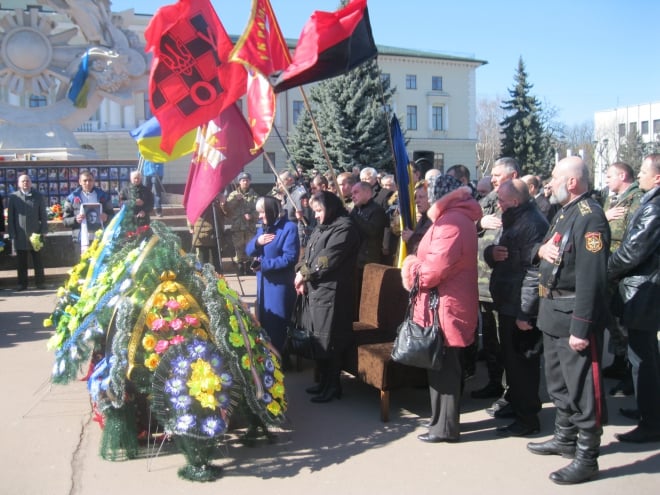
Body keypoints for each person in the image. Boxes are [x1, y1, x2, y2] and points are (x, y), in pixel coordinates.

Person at [526, 156, 610, 485]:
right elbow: (547, 247)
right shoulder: (565, 212)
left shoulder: (591, 218)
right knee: (559, 383)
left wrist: (582, 327)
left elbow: (592, 278)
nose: (550, 182)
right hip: (553, 312)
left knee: (583, 390)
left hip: (574, 316)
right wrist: (538, 251)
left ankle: (587, 458)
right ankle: (565, 438)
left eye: (555, 177)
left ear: (572, 182)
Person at [401, 174, 481, 443]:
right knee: (443, 366)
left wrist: (410, 267)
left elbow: (432, 272)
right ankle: (443, 423)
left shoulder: (450, 223)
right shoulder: (454, 219)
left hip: (445, 307)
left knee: (444, 369)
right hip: (445, 304)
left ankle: (444, 428)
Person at [484, 179, 549, 437]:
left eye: (500, 199)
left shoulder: (532, 223)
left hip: (520, 306)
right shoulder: (512, 217)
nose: (497, 203)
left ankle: (528, 418)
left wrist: (526, 312)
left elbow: (534, 272)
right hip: (508, 300)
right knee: (512, 360)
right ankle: (516, 404)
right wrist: (491, 253)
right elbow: (500, 251)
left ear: (515, 201)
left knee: (523, 364)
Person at [607, 153, 660, 443]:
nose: (638, 176)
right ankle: (648, 411)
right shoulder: (650, 202)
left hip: (645, 290)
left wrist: (605, 269)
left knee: (643, 358)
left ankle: (651, 421)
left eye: (642, 171)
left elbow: (633, 251)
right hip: (643, 287)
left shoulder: (654, 207)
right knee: (644, 354)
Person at [294, 191, 360, 403]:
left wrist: (304, 275)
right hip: (316, 290)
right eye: (314, 211)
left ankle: (333, 385)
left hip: (333, 293)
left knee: (330, 339)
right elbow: (308, 253)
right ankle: (323, 381)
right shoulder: (323, 226)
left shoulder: (345, 227)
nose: (317, 216)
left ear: (330, 208)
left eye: (320, 211)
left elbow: (327, 258)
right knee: (317, 338)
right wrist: (301, 274)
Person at [471, 157, 520, 415]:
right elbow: (469, 222)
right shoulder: (489, 201)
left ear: (512, 176)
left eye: (497, 175)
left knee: (507, 342)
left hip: (506, 287)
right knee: (490, 338)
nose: (492, 179)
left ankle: (510, 391)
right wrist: (480, 223)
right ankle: (494, 383)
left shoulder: (518, 203)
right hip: (484, 283)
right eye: (491, 175)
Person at [600, 162, 644, 397]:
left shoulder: (636, 200)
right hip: (610, 269)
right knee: (613, 320)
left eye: (609, 175)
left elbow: (633, 240)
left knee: (624, 324)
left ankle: (630, 376)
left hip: (622, 271)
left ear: (622, 175)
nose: (606, 179)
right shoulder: (614, 198)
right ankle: (619, 363)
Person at [246, 196, 300, 354]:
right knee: (264, 323)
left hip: (279, 285)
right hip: (263, 285)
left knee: (278, 323)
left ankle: (280, 357)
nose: (260, 216)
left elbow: (290, 258)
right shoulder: (263, 227)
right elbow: (249, 250)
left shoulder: (289, 228)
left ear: (271, 211)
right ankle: (268, 356)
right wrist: (258, 242)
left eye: (262, 212)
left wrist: (264, 265)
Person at [350, 181, 387, 316]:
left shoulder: (377, 210)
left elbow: (372, 231)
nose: (352, 196)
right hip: (355, 260)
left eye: (356, 192)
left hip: (368, 261)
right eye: (352, 193)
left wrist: (353, 216)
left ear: (367, 193)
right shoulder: (356, 210)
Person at [7, 175, 49, 291]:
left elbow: (43, 216)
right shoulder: (14, 197)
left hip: (35, 234)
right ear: (19, 183)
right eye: (23, 181)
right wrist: (12, 234)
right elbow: (11, 218)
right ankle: (22, 284)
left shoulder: (38, 196)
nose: (25, 183)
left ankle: (40, 283)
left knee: (38, 261)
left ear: (31, 183)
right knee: (21, 262)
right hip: (20, 235)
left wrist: (44, 230)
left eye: (27, 181)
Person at [63, 170, 114, 253]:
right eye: (85, 180)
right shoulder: (72, 198)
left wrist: (107, 217)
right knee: (82, 265)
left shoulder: (103, 196)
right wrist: (75, 219)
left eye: (90, 180)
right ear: (80, 182)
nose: (87, 183)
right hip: (80, 239)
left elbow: (112, 216)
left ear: (94, 181)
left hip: (99, 239)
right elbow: (65, 221)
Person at [222, 172, 258, 275]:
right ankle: (240, 268)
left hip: (250, 227)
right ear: (239, 182)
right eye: (243, 180)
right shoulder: (233, 194)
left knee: (250, 248)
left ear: (250, 182)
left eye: (247, 180)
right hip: (237, 227)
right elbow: (227, 209)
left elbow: (259, 209)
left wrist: (252, 216)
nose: (245, 182)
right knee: (238, 249)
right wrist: (235, 200)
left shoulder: (254, 195)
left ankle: (251, 269)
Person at [188, 198, 224, 274]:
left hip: (215, 232)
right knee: (203, 262)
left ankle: (219, 279)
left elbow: (228, 213)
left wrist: (223, 203)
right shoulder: (197, 199)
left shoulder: (217, 200)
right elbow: (190, 213)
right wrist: (190, 227)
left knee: (217, 262)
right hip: (201, 233)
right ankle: (205, 279)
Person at [400, 181, 432, 255]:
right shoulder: (424, 217)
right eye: (416, 197)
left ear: (431, 198)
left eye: (421, 197)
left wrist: (412, 237)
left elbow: (430, 247)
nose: (416, 201)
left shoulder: (435, 220)